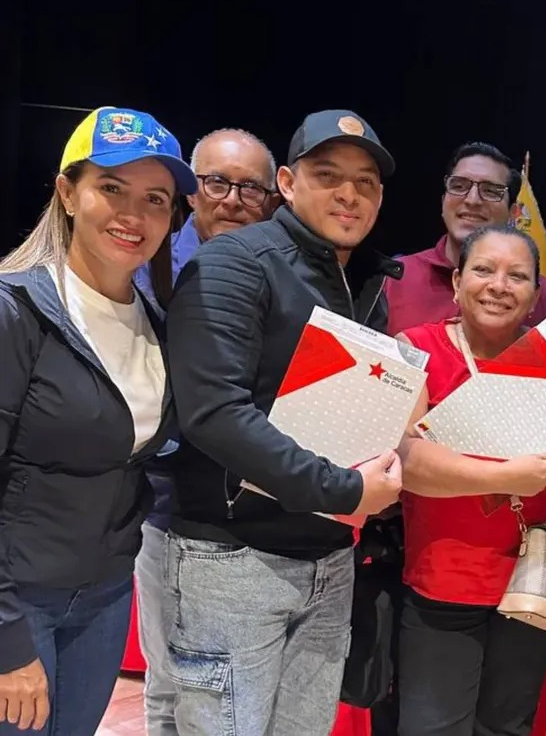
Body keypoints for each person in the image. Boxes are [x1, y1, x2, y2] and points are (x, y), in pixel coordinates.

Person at [164, 109, 404, 736]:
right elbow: (214, 413)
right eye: (329, 176)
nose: (349, 193)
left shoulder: (366, 282)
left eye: (366, 182)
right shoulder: (234, 263)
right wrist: (345, 491)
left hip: (329, 559)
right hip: (233, 558)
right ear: (289, 185)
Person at [374, 141, 546, 735]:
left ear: (536, 294)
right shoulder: (416, 347)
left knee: (508, 726)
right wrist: (505, 476)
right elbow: (407, 460)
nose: (499, 285)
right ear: (457, 281)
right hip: (444, 577)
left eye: (517, 276)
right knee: (432, 727)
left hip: (535, 578)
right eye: (484, 270)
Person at [0, 106, 197, 735]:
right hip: (18, 601)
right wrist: (7, 639)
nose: (133, 215)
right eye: (112, 188)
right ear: (67, 193)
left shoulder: (156, 323)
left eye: (155, 199)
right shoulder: (15, 310)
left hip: (105, 597)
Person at [131, 128, 278, 736]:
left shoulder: (281, 268)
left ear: (273, 197)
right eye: (217, 183)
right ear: (192, 191)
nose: (233, 199)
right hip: (168, 498)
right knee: (172, 677)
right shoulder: (150, 264)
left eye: (251, 188)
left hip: (256, 505)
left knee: (228, 688)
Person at [384, 142, 546, 346]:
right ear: (443, 201)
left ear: (513, 212)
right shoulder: (394, 279)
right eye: (459, 186)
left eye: (490, 191)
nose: (472, 200)